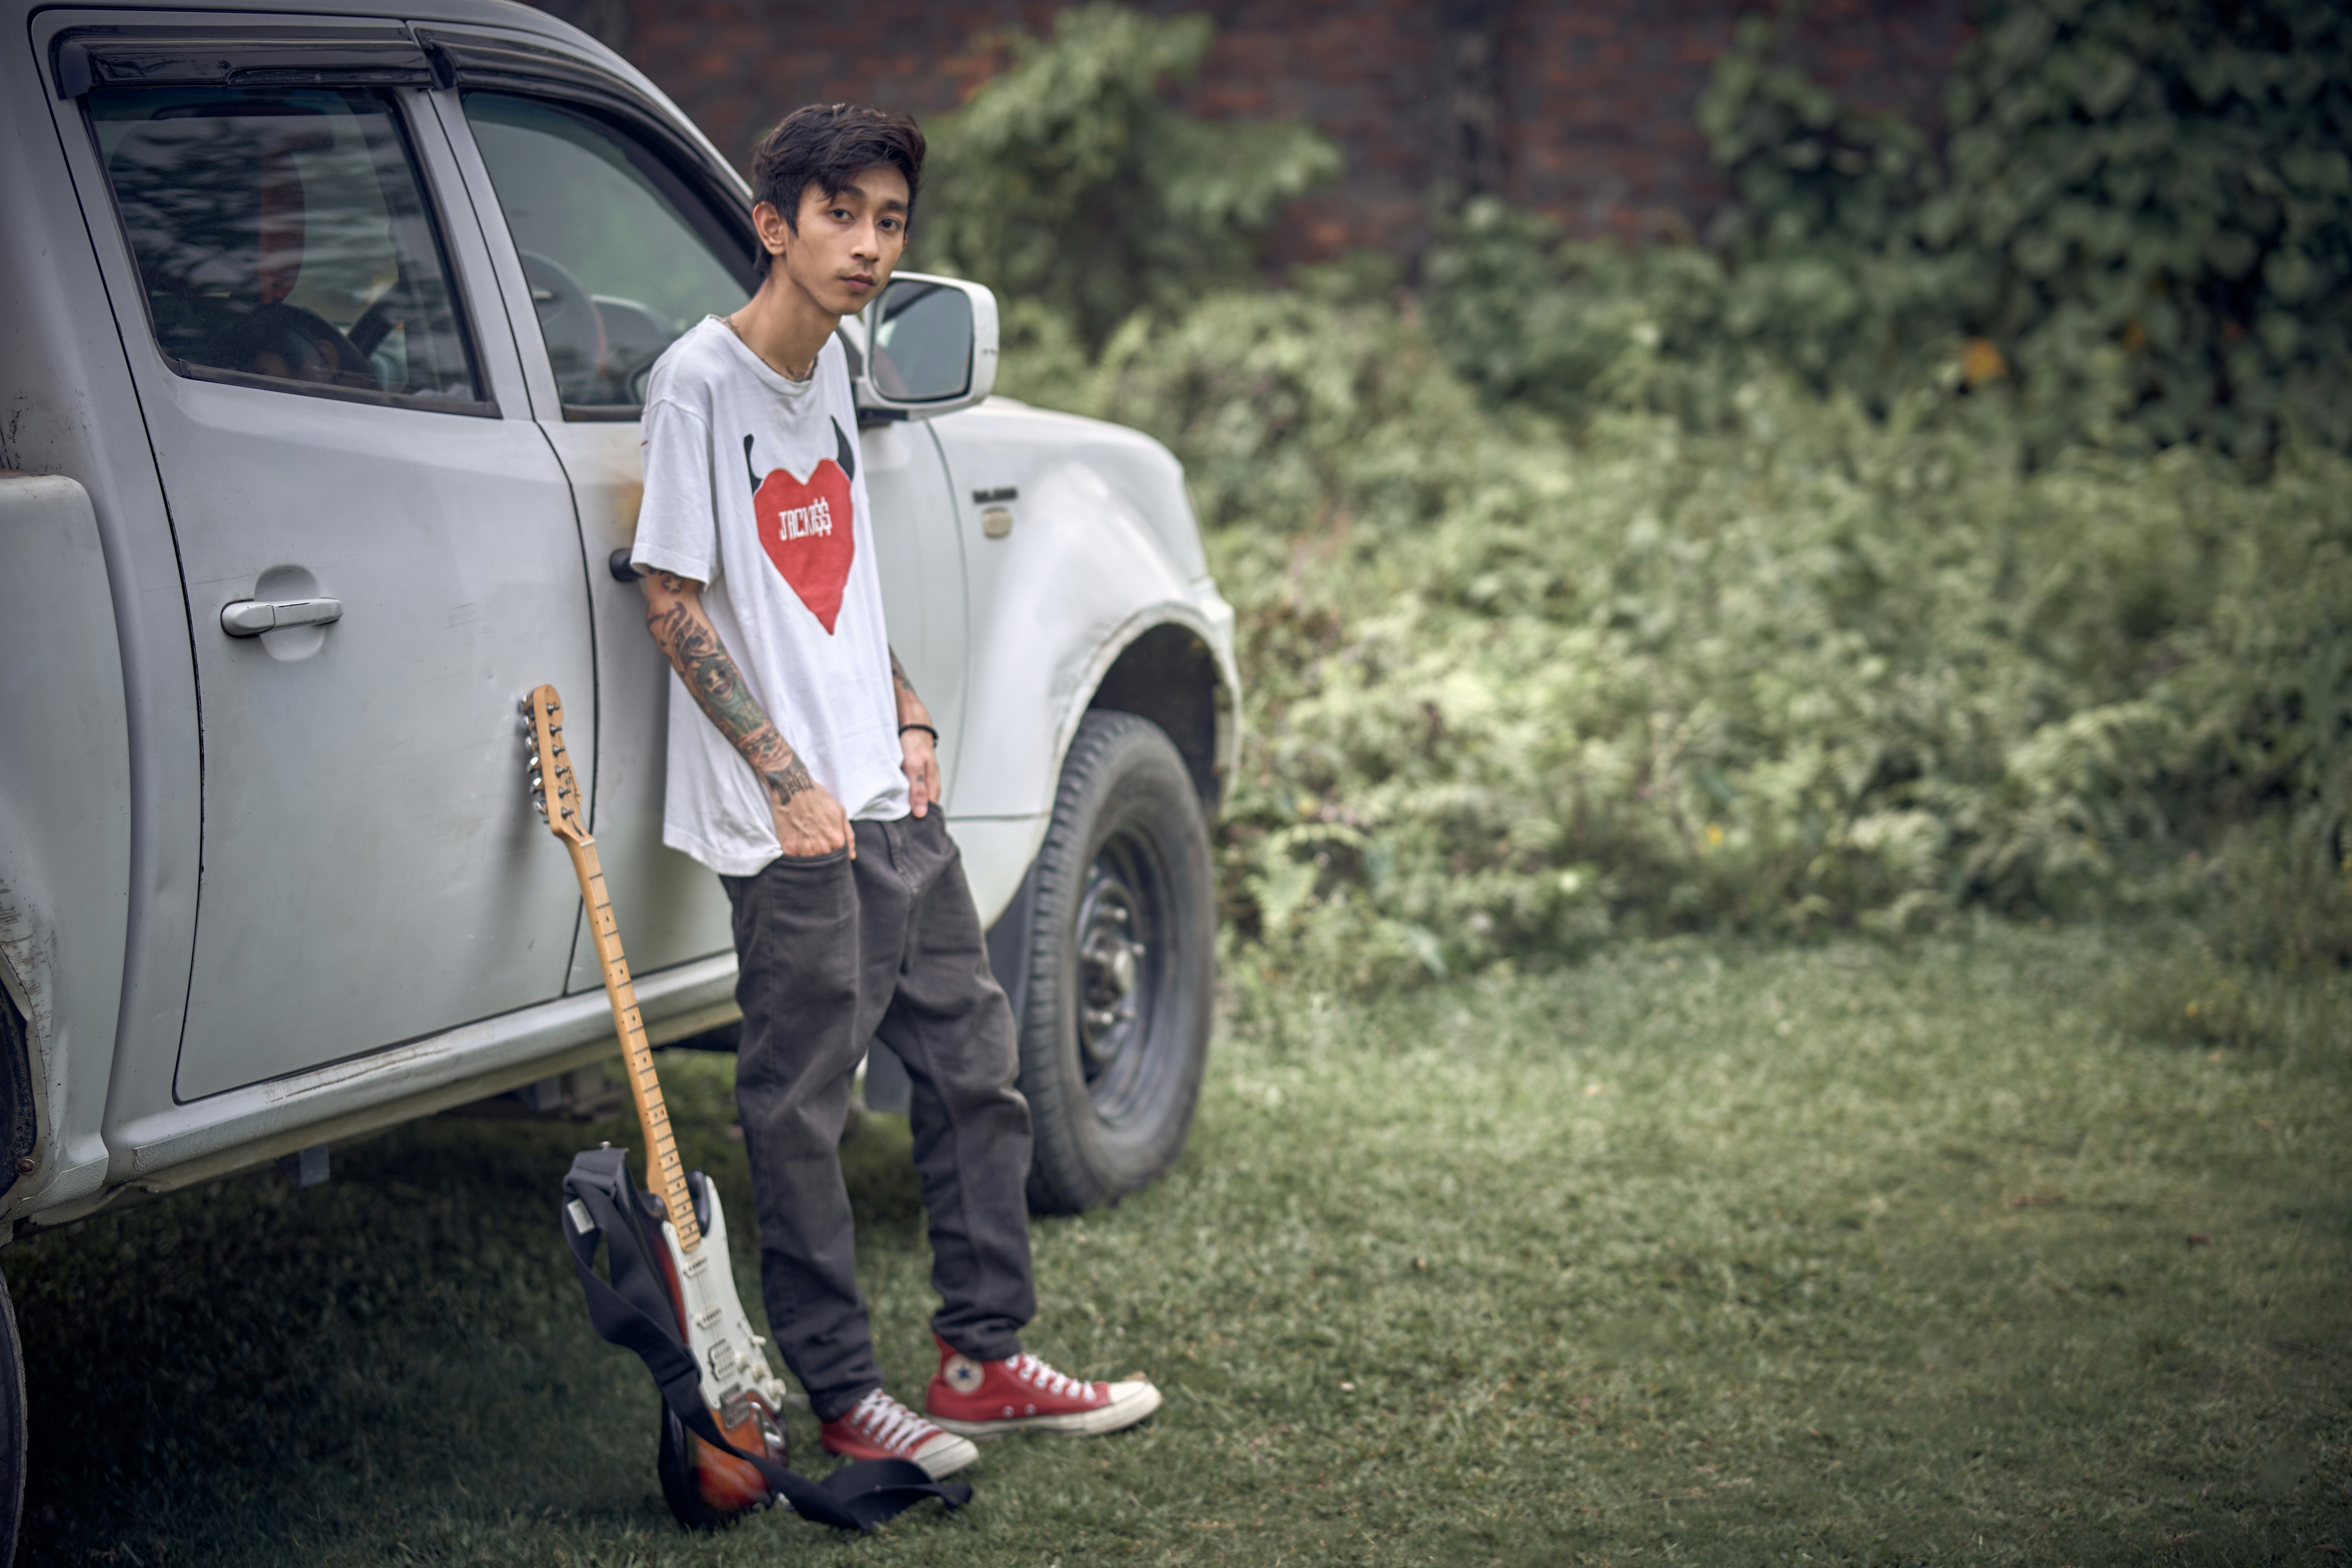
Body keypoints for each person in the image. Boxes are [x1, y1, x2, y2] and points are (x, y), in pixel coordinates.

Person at [626, 103, 1158, 1480]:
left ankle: (982, 1359)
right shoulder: (701, 385)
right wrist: (790, 782)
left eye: (891, 222)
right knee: (800, 1111)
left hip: (890, 793)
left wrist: (910, 717)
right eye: (842, 216)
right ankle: (849, 1395)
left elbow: (836, 596)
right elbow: (673, 602)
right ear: (773, 226)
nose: (870, 246)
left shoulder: (835, 380)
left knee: (977, 1078)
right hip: (791, 822)